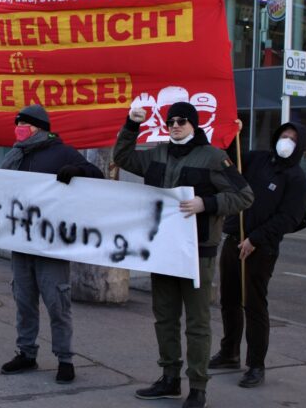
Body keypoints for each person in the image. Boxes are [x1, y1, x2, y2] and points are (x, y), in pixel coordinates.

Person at [114, 101, 254, 408]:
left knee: (197, 322)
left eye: (182, 120)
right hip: (162, 249)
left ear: (194, 123)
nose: (175, 125)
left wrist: (208, 203)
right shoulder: (157, 153)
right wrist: (131, 124)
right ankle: (169, 378)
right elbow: (122, 157)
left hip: (197, 252)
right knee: (164, 318)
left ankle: (198, 387)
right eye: (171, 121)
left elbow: (244, 195)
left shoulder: (214, 157)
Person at [0, 104, 104, 385]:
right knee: (24, 301)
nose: (19, 128)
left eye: (24, 124)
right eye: (17, 123)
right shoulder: (15, 155)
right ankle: (26, 352)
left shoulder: (62, 152)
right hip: (21, 242)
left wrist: (77, 171)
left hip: (51, 243)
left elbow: (98, 178)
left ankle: (65, 359)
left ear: (39, 128)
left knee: (57, 302)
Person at [209, 121, 306, 388]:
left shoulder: (296, 179)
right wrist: (233, 132)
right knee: (228, 300)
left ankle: (256, 365)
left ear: (299, 145)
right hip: (234, 240)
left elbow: (289, 218)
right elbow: (233, 159)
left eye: (292, 138)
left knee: (253, 305)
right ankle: (229, 352)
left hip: (259, 249)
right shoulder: (258, 160)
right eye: (284, 135)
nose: (286, 141)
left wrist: (256, 238)